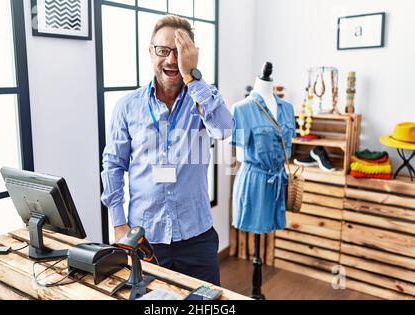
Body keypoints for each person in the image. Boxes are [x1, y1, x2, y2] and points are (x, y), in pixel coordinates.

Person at [101, 15, 234, 285]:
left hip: (197, 238)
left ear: (192, 56)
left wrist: (193, 77)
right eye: (163, 51)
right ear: (151, 52)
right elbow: (113, 165)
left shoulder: (204, 98)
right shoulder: (127, 106)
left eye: (180, 52)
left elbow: (224, 130)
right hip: (146, 237)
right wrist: (118, 225)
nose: (172, 60)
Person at [231, 62, 296, 236]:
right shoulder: (241, 109)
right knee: (257, 230)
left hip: (279, 180)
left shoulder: (287, 108)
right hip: (255, 181)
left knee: (272, 228)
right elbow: (240, 156)